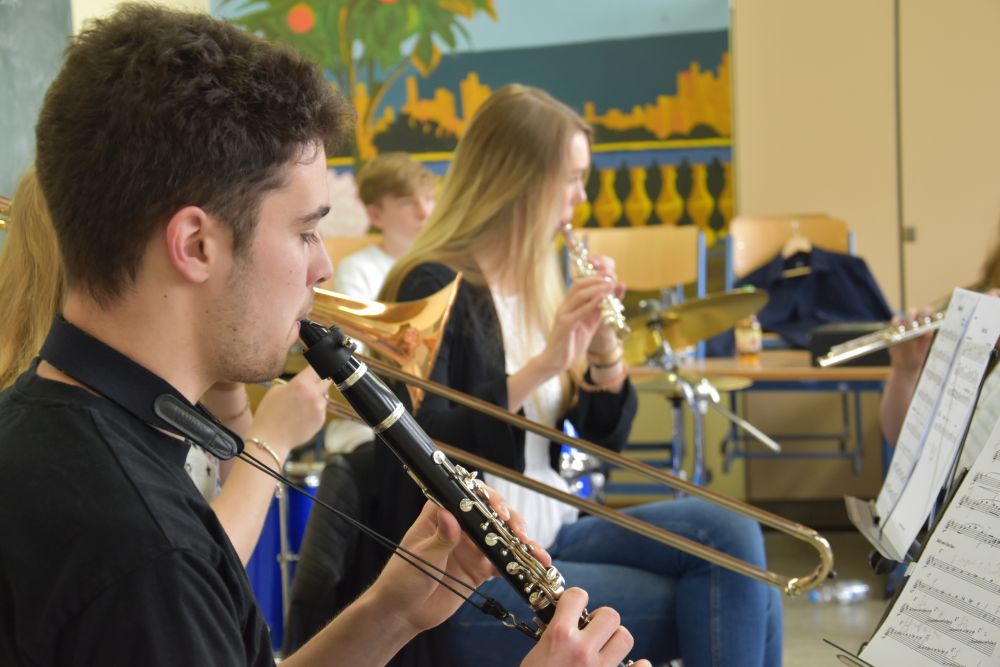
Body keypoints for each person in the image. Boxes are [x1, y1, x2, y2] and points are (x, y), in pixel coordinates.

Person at [0, 6, 641, 666]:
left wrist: (389, 612)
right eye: (306, 231)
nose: (325, 266)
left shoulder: (50, 432)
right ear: (195, 244)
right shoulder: (147, 553)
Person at [377, 84, 782, 667]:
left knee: (737, 542)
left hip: (557, 530)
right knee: (738, 596)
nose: (581, 196)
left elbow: (600, 445)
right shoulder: (431, 283)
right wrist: (546, 361)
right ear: (518, 181)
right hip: (474, 571)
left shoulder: (540, 279)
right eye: (571, 178)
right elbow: (420, 440)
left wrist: (602, 352)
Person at [0, 166, 329, 566]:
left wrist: (228, 386)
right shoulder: (80, 410)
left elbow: (224, 484)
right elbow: (191, 563)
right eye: (304, 233)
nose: (323, 269)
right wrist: (271, 443)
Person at [324, 152, 436, 454]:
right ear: (375, 215)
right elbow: (356, 357)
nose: (425, 212)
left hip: (430, 414)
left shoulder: (442, 269)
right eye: (408, 202)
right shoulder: (358, 269)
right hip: (371, 426)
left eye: (429, 199)